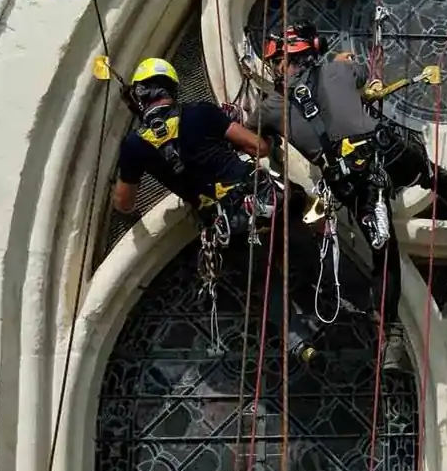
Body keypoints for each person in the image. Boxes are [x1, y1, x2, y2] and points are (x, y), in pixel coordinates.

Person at [245, 23, 447, 374]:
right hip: (385, 153)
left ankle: (391, 340)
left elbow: (252, 136)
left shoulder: (271, 106)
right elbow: (361, 74)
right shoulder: (339, 68)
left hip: (350, 180)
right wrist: (346, 61)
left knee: (383, 253)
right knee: (433, 176)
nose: (275, 68)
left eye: (278, 61)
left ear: (289, 59)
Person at [111, 56, 344, 362]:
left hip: (225, 227)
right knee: (310, 208)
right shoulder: (200, 113)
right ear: (170, 90)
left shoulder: (133, 146)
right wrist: (226, 134)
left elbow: (124, 203)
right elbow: (258, 147)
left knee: (261, 280)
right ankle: (331, 279)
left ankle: (298, 342)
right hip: (263, 197)